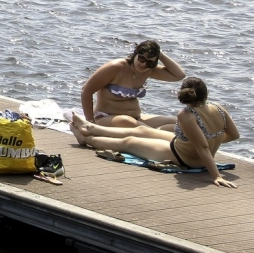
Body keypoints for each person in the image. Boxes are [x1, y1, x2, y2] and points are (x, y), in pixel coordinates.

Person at [70, 78, 240, 188]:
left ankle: (87, 139)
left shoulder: (186, 114)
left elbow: (202, 147)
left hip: (186, 158)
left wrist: (216, 176)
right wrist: (212, 140)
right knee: (143, 130)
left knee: (129, 142)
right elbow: (234, 135)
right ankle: (92, 128)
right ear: (206, 94)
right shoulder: (219, 108)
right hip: (183, 147)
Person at [80, 40, 186, 128]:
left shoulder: (148, 70)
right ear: (135, 54)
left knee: (179, 122)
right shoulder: (116, 67)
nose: (144, 64)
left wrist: (160, 54)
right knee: (127, 122)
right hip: (106, 118)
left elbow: (179, 75)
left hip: (136, 119)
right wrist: (90, 121)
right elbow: (86, 91)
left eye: (150, 62)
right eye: (141, 58)